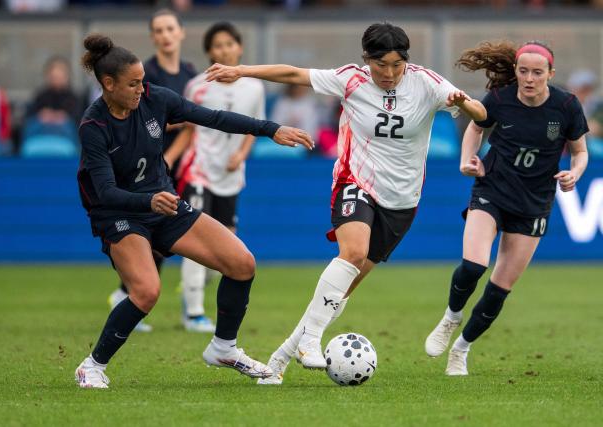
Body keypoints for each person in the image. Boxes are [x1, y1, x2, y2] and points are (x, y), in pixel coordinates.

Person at [206, 22, 487, 385]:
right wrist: (241, 70)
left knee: (340, 291)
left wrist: (465, 104)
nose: (388, 74)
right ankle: (310, 340)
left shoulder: (428, 83)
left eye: (396, 65)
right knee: (351, 254)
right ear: (366, 60)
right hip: (355, 181)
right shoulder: (350, 78)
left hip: (402, 200)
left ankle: (279, 359)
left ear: (406, 61)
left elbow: (482, 115)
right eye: (379, 65)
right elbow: (293, 73)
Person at [73, 34, 313, 389]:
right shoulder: (94, 127)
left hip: (164, 204)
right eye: (133, 84)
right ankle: (92, 366)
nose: (142, 89)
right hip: (118, 214)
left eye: (142, 81)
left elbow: (214, 117)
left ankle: (224, 348)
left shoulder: (156, 99)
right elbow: (106, 192)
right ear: (108, 84)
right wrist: (148, 201)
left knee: (242, 263)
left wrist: (271, 129)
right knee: (146, 292)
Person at [424, 40, 588, 376]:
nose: (529, 78)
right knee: (473, 265)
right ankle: (450, 317)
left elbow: (580, 151)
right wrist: (467, 160)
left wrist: (574, 173)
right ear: (515, 71)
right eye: (523, 71)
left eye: (537, 73)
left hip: (533, 204)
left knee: (499, 290)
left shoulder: (567, 106)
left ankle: (462, 348)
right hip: (492, 190)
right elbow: (475, 127)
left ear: (550, 74)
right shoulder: (499, 99)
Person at [159, 22, 266, 333]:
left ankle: (191, 291)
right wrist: (170, 158)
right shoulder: (198, 86)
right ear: (209, 53)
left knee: (224, 251)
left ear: (240, 47)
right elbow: (189, 128)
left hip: (231, 176)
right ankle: (193, 311)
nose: (224, 50)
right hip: (199, 171)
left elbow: (254, 126)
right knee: (196, 240)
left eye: (229, 44)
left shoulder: (254, 86)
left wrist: (241, 155)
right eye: (217, 46)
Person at [107, 8, 198, 333]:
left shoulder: (190, 74)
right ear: (152, 37)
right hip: (148, 167)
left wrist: (174, 155)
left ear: (181, 32)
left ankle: (186, 301)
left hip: (181, 162)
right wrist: (167, 157)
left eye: (170, 28)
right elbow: (147, 123)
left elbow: (191, 122)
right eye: (158, 30)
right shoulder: (145, 75)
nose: (165, 35)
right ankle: (133, 294)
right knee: (155, 232)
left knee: (188, 233)